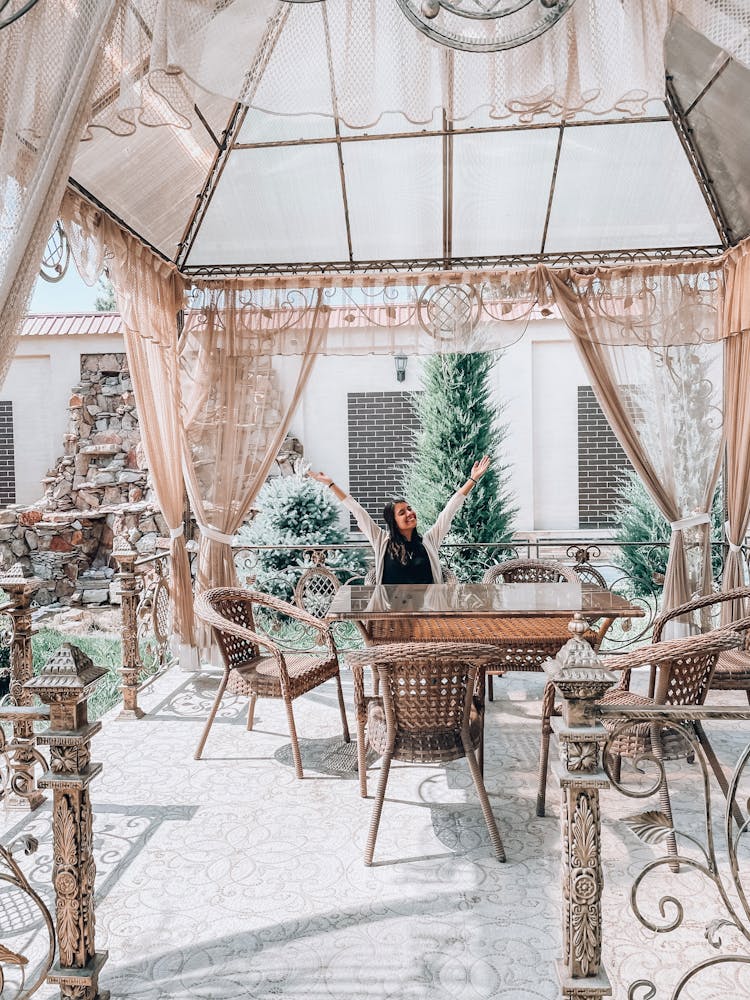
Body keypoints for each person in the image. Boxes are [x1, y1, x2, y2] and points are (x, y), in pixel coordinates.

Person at [308, 456, 491, 585]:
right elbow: (357, 510)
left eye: (409, 509)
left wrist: (472, 479)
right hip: (392, 611)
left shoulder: (429, 540)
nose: (410, 513)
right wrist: (331, 484)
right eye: (402, 512)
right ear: (393, 521)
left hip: (427, 610)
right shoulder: (381, 541)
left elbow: (450, 509)